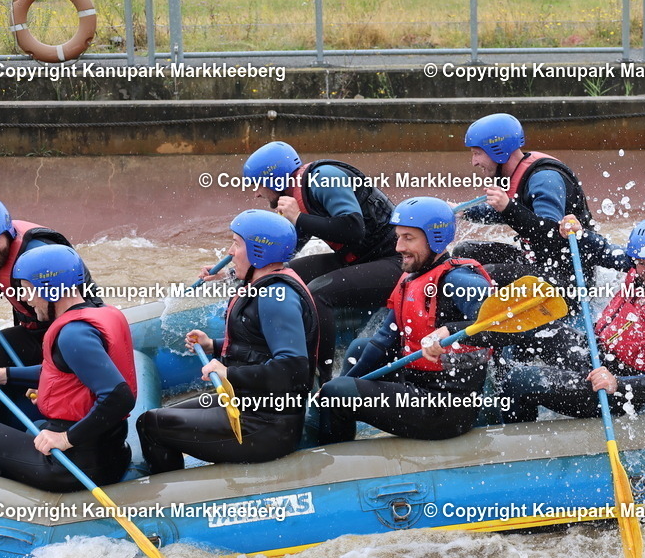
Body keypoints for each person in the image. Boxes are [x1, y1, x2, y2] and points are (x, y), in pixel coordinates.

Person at [203, 142, 402, 385]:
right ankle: (260, 348)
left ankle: (322, 378)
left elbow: (353, 228)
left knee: (318, 293)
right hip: (358, 259)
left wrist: (298, 217)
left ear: (275, 179)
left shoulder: (324, 178)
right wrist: (232, 273)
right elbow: (280, 255)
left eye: (258, 185)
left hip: (395, 262)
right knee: (287, 274)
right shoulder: (297, 196)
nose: (256, 193)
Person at [139, 210, 317, 473]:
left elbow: (294, 371)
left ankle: (170, 494)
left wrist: (228, 373)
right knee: (153, 418)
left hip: (265, 427)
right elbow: (259, 345)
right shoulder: (267, 284)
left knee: (151, 425)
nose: (230, 252)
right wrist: (214, 345)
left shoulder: (276, 296)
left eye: (236, 243)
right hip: (248, 406)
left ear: (259, 252)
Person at [315, 197, 505, 444]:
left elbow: (503, 325)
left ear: (435, 239)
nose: (398, 247)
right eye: (398, 237)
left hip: (446, 407)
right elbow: (384, 340)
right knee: (358, 351)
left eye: (408, 238)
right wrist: (350, 380)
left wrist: (449, 330)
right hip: (417, 382)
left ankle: (332, 455)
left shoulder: (460, 280)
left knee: (336, 393)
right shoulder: (412, 278)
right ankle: (333, 418)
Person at [502, 216, 645, 421]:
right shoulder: (640, 262)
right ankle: (507, 397)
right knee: (528, 325)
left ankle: (515, 427)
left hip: (620, 391)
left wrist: (617, 383)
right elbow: (603, 250)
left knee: (521, 381)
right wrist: (580, 233)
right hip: (598, 355)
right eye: (642, 264)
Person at [0, 245, 136, 492]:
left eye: (27, 290)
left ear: (49, 289)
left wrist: (66, 439)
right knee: (37, 427)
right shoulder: (102, 314)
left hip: (73, 468)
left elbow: (120, 397)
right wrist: (2, 375)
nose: (26, 299)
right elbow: (64, 373)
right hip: (113, 452)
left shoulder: (73, 335)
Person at [0, 196, 101, 425]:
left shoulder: (41, 256)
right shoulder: (0, 248)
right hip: (39, 330)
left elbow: (79, 308)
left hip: (71, 334)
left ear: (8, 232)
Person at [454, 113, 596, 296]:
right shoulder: (519, 173)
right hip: (540, 263)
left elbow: (550, 236)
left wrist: (508, 207)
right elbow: (508, 212)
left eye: (477, 153)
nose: (474, 162)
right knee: (464, 253)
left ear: (498, 151)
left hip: (568, 280)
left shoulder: (544, 179)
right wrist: (464, 212)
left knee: (485, 274)